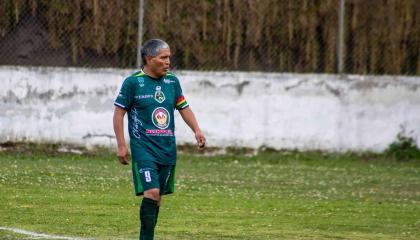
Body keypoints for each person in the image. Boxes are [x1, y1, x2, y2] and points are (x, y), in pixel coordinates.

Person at [113, 39, 206, 240]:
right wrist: (121, 145)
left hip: (166, 149)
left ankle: (148, 236)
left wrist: (196, 130)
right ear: (148, 59)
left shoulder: (172, 82)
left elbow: (183, 107)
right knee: (152, 193)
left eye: (169, 57)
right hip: (143, 149)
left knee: (157, 199)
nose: (168, 61)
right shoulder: (133, 83)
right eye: (163, 57)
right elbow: (119, 113)